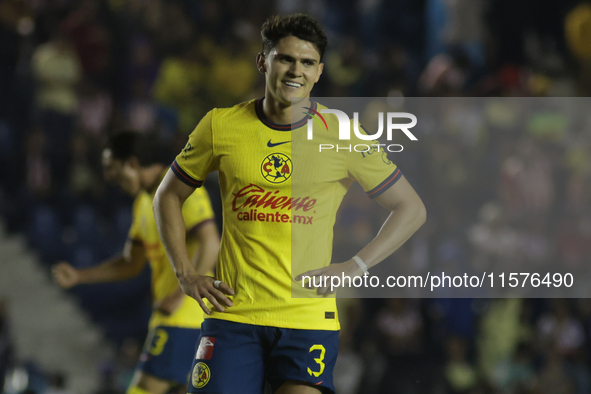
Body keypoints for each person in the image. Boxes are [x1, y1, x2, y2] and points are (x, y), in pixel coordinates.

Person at [153, 14, 426, 394]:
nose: (295, 70)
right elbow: (167, 194)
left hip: (307, 315)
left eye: (307, 62)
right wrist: (185, 271)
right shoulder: (220, 126)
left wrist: (355, 266)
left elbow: (411, 208)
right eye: (285, 59)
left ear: (319, 72)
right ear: (263, 62)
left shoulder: (344, 134)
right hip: (234, 315)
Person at [53, 132, 220, 394]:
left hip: (184, 315)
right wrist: (79, 275)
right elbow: (131, 263)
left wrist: (178, 295)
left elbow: (211, 243)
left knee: (143, 389)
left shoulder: (180, 188)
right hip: (173, 316)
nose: (108, 177)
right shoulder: (143, 203)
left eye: (112, 168)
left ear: (132, 163)